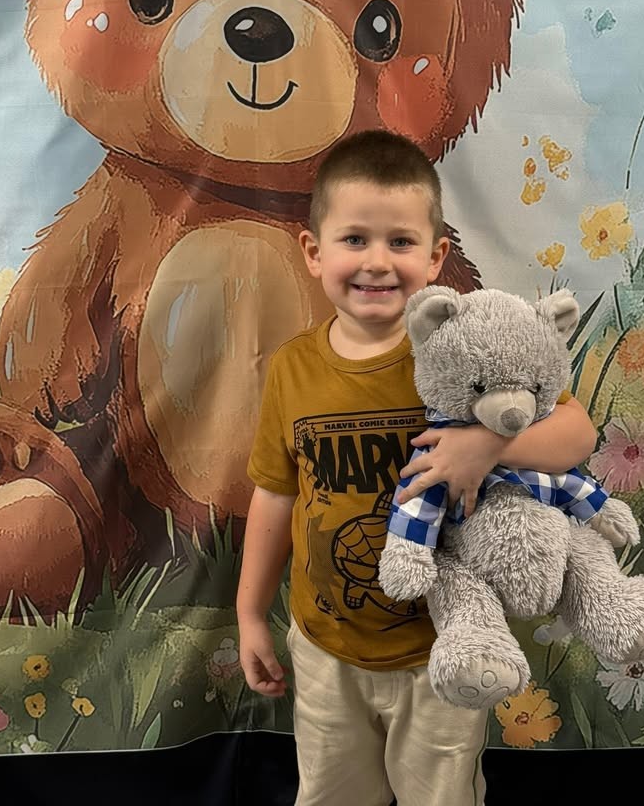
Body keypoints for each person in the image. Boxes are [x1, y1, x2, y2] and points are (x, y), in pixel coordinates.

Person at [236, 129, 597, 806]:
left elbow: (578, 433)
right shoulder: (292, 368)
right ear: (314, 252)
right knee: (333, 794)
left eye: (400, 242)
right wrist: (250, 611)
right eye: (355, 239)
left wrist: (489, 445)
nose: (377, 262)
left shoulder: (463, 355)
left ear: (435, 258)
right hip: (326, 644)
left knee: (441, 795)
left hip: (446, 643)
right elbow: (276, 494)